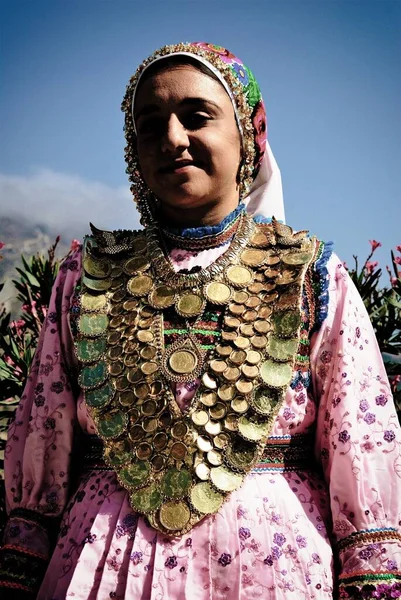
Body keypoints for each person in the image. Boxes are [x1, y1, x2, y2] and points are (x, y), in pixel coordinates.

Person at [0, 41, 400, 600]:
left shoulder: (311, 276)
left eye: (196, 117)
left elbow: (358, 441)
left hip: (270, 573)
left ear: (247, 134)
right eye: (150, 124)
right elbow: (45, 430)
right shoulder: (86, 275)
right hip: (97, 568)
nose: (172, 139)